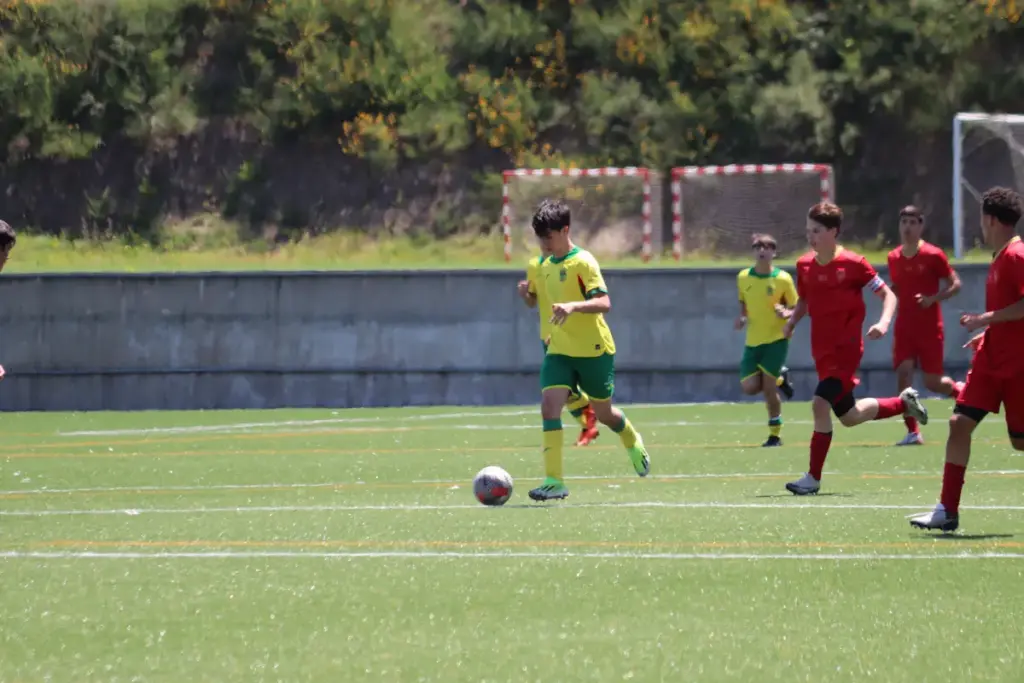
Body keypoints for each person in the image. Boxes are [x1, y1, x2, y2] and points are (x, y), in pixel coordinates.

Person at [782, 202, 928, 496]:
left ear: (833, 232)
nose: (811, 236)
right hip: (821, 352)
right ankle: (903, 403)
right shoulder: (804, 265)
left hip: (846, 351)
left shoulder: (854, 264)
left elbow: (888, 295)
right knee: (850, 415)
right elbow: (805, 300)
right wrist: (792, 321)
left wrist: (883, 322)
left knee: (819, 404)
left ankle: (812, 478)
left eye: (817, 231)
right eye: (808, 230)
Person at [909, 187, 1024, 532]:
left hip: (1018, 365)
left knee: (1019, 441)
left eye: (981, 218)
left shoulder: (1017, 255)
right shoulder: (1000, 256)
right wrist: (988, 333)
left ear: (990, 219)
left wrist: (985, 319)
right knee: (959, 423)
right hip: (991, 362)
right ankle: (947, 510)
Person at [527, 199, 650, 502]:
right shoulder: (545, 266)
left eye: (549, 237)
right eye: (540, 238)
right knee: (549, 406)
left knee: (604, 414)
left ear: (565, 230)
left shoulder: (584, 262)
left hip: (594, 351)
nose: (544, 243)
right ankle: (554, 482)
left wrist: (573, 306)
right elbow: (545, 306)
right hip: (559, 350)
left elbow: (604, 302)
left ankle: (630, 437)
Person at [887, 205, 964, 446]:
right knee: (903, 376)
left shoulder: (933, 255)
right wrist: (888, 299)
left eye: (913, 222)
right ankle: (913, 432)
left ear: (921, 226)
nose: (907, 227)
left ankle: (963, 394)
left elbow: (956, 284)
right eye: (904, 222)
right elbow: (897, 287)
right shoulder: (893, 257)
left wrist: (933, 299)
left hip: (929, 328)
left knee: (933, 382)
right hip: (904, 327)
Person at [517, 244, 600, 447]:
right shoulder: (534, 265)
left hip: (571, 332)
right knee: (561, 387)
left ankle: (590, 415)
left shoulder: (569, 263)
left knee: (563, 386)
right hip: (548, 334)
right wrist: (525, 294)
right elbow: (532, 302)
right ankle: (588, 421)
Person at [734, 233, 797, 447]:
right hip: (753, 341)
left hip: (776, 340)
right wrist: (742, 318)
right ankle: (781, 378)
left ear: (774, 253)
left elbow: (797, 307)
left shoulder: (783, 279)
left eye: (767, 247)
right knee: (749, 387)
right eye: (758, 247)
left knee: (769, 390)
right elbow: (744, 303)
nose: (762, 251)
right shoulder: (743, 277)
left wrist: (786, 313)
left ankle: (774, 435)